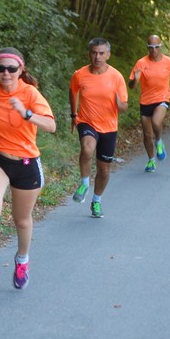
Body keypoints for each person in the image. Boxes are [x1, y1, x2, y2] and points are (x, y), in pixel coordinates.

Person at [0, 47, 56, 289]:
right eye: (1, 68)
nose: (6, 73)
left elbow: (51, 126)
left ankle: (22, 260)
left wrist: (27, 113)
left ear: (21, 70)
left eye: (11, 68)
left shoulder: (30, 94)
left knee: (21, 220)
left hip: (26, 163)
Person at [69, 37, 128, 218]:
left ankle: (96, 201)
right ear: (89, 54)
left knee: (104, 170)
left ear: (108, 55)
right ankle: (85, 183)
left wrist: (120, 104)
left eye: (101, 53)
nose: (97, 57)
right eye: (94, 53)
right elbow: (73, 91)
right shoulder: (80, 74)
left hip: (109, 127)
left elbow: (125, 107)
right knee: (87, 149)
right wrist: (74, 115)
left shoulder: (116, 77)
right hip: (87, 121)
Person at [129, 35, 170, 172]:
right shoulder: (141, 63)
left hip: (162, 98)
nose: (154, 50)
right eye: (151, 47)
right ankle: (151, 161)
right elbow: (131, 86)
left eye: (156, 47)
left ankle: (159, 141)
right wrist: (135, 80)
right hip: (146, 101)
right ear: (147, 47)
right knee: (147, 135)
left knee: (156, 121)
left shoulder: (169, 62)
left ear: (161, 47)